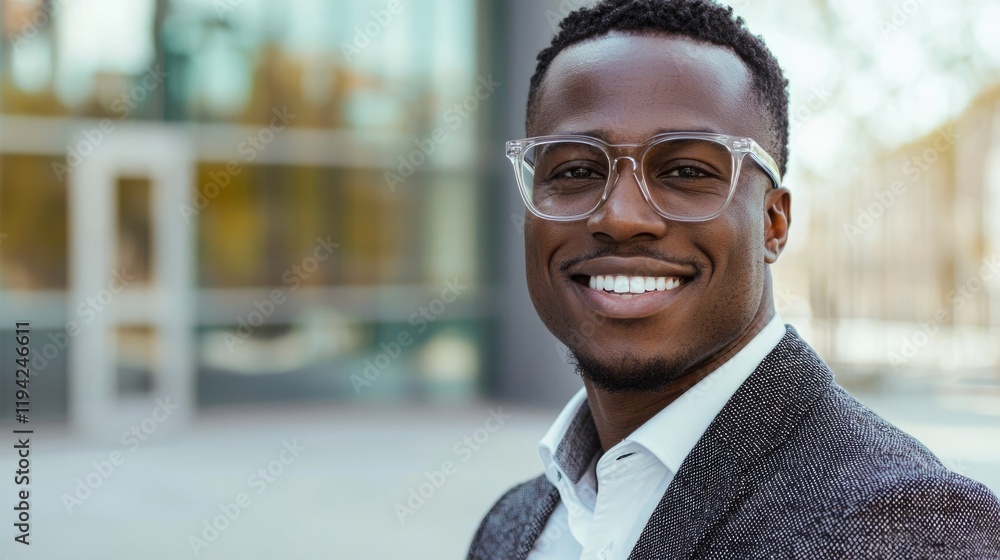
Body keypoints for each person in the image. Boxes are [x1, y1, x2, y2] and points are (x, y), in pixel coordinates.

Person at [466, 0, 1000, 558]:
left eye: (686, 172)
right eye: (576, 170)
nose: (621, 216)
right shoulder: (513, 526)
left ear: (774, 223)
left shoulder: (907, 526)